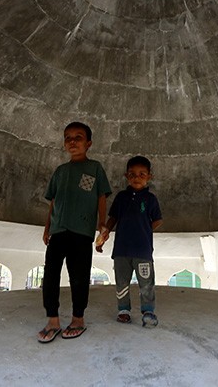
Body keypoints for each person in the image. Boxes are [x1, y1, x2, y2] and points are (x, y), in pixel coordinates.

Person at [37, 122, 111, 343]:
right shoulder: (60, 171)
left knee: (79, 277)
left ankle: (78, 319)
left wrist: (101, 224)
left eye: (78, 137)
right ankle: (52, 320)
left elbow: (100, 196)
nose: (72, 141)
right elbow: (53, 201)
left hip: (82, 232)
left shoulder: (95, 168)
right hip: (58, 231)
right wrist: (47, 227)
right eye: (68, 137)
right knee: (50, 275)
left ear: (88, 143)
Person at [96, 155, 163, 327]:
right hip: (121, 251)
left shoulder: (150, 199)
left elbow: (157, 221)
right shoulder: (121, 197)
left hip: (143, 252)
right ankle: (123, 310)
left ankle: (148, 311)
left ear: (149, 176)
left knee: (146, 283)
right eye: (132, 174)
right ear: (126, 176)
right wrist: (104, 234)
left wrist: (142, 230)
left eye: (142, 174)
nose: (136, 178)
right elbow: (113, 218)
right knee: (122, 282)